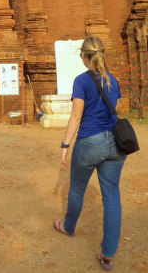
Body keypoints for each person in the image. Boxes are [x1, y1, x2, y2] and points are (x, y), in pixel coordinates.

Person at [53, 37, 125, 271]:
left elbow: (76, 116)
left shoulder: (82, 81)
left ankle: (69, 226)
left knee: (76, 189)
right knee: (112, 196)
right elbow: (113, 111)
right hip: (115, 144)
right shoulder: (113, 80)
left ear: (85, 57)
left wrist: (65, 145)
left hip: (90, 142)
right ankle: (108, 255)